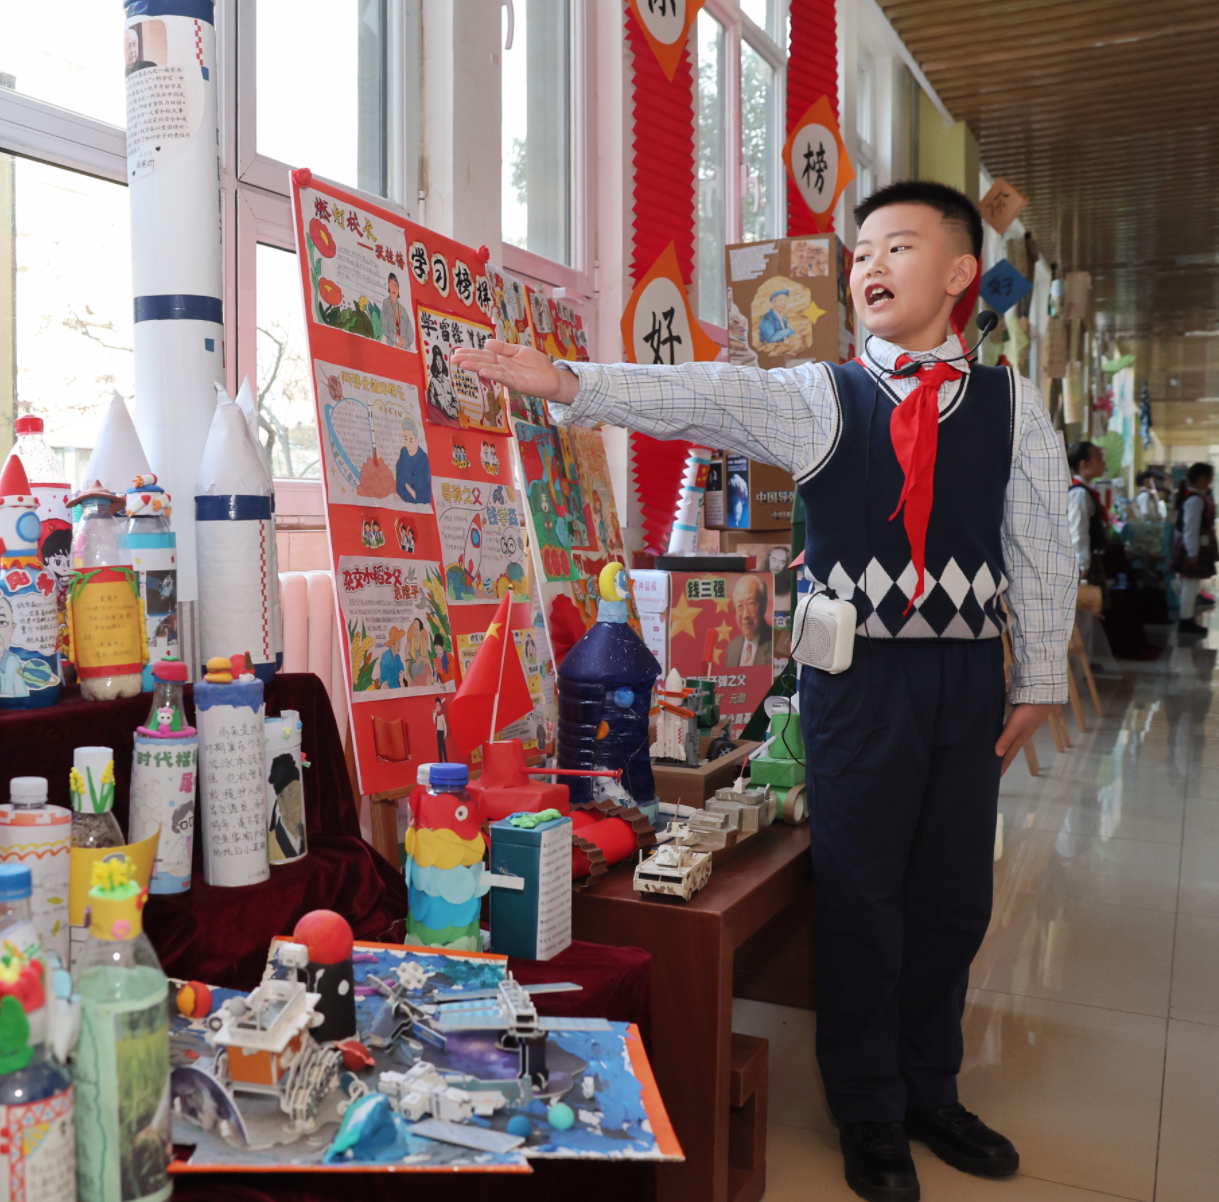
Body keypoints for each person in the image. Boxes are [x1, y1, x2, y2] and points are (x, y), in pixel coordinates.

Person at [455, 179, 1071, 1202]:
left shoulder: (1013, 408)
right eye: (861, 252)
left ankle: (933, 1088)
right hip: (854, 683)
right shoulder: (823, 395)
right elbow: (701, 394)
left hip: (964, 680)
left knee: (953, 897)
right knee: (864, 896)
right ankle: (868, 1107)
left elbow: (1044, 544)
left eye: (899, 246)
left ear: (962, 272)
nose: (870, 265)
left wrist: (1040, 674)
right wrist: (566, 379)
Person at [1172, 463, 1219, 637]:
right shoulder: (1195, 500)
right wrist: (1193, 552)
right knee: (1190, 585)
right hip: (1192, 546)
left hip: (1194, 545)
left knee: (1191, 585)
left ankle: (1188, 617)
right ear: (1201, 478)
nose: (1211, 480)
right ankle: (1185, 620)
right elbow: (1191, 528)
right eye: (1210, 477)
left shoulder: (1198, 497)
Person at [1067, 441, 1107, 583]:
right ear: (1084, 464)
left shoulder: (1084, 491)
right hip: (1082, 562)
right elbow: (1078, 529)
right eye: (1099, 459)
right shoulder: (1079, 493)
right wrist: (1081, 562)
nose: (1103, 463)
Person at [723, 574, 773, 667]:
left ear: (764, 605)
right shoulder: (732, 648)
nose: (745, 615)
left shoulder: (776, 643)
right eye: (740, 606)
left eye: (751, 603)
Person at [395, 418, 431, 505]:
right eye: (405, 439)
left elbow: (430, 489)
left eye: (411, 440)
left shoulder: (424, 460)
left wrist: (415, 495)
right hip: (403, 504)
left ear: (417, 440)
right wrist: (398, 494)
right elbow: (399, 478)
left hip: (420, 505)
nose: (407, 444)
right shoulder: (403, 454)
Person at [381, 271, 415, 349]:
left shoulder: (403, 309)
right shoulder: (386, 303)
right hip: (391, 347)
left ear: (399, 288)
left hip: (405, 349)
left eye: (396, 285)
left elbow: (410, 334)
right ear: (388, 285)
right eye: (391, 284)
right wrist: (394, 338)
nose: (394, 288)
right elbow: (384, 327)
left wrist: (403, 342)